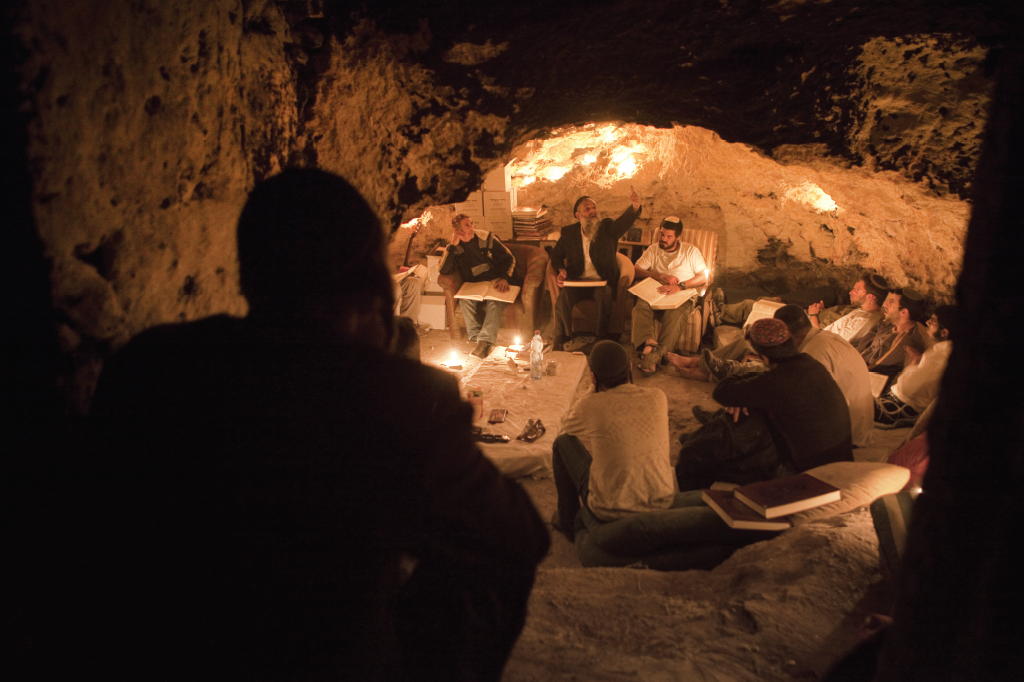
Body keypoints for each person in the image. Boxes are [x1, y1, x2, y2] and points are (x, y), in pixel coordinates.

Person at [72, 169, 549, 682]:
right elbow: (516, 535)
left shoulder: (148, 365)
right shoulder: (395, 399)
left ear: (248, 272)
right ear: (369, 285)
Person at [676, 318, 853, 491]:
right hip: (837, 465)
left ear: (763, 358)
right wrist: (743, 396)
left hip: (807, 475)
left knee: (697, 457)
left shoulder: (777, 381)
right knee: (752, 407)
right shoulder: (809, 364)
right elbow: (757, 389)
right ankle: (710, 426)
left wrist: (741, 396)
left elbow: (722, 391)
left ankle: (697, 494)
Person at [551, 340, 677, 541]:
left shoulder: (591, 405)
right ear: (629, 367)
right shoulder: (658, 397)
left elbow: (567, 424)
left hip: (609, 511)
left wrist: (592, 390)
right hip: (662, 503)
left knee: (562, 443)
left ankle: (568, 521)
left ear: (593, 377)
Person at [549, 187, 643, 351]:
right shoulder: (569, 233)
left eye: (594, 207)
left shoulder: (607, 227)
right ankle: (562, 337)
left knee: (605, 295)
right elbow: (556, 255)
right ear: (578, 215)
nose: (592, 211)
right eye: (587, 209)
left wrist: (635, 206)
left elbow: (624, 221)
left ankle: (600, 338)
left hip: (601, 282)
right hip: (577, 281)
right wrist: (560, 270)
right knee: (563, 297)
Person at [774, 304, 876, 447]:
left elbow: (818, 404)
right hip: (858, 427)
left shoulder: (812, 352)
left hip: (846, 436)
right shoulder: (826, 337)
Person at [631, 216, 708, 374]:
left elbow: (704, 277)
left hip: (681, 293)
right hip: (656, 290)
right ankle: (650, 343)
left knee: (675, 314)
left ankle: (654, 358)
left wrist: (681, 286)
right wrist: (661, 276)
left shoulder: (690, 251)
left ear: (678, 237)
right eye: (661, 234)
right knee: (641, 306)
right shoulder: (653, 249)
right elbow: (636, 269)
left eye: (668, 236)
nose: (663, 239)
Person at [438, 213, 518, 358]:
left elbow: (509, 258)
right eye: (466, 225)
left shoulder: (486, 237)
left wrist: (505, 278)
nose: (471, 227)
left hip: (496, 280)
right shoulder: (454, 247)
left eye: (471, 223)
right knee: (464, 302)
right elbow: (443, 270)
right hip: (474, 285)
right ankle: (476, 337)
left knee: (495, 302)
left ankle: (484, 341)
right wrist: (452, 246)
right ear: (457, 230)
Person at [876, 304, 956, 424]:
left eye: (933, 321)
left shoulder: (940, 356)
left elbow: (906, 387)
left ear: (944, 332)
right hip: (897, 403)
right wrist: (915, 364)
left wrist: (909, 367)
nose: (928, 322)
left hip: (897, 408)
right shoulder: (943, 352)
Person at [856, 287, 931, 375]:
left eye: (891, 301)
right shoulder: (886, 324)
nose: (886, 304)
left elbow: (873, 365)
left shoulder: (905, 342)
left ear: (903, 312)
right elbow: (862, 344)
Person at [808, 272, 889, 343]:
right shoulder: (862, 311)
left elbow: (825, 341)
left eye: (857, 290)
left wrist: (813, 315)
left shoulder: (864, 320)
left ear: (870, 297)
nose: (851, 292)